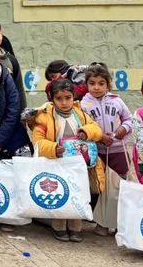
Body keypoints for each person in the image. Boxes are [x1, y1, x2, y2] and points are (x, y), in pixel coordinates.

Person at [30, 78, 104, 243]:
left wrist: (87, 132)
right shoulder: (44, 117)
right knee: (61, 193)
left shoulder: (81, 115)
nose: (64, 102)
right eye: (59, 99)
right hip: (57, 163)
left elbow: (96, 129)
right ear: (52, 99)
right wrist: (53, 148)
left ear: (73, 97)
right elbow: (38, 140)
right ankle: (59, 225)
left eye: (68, 98)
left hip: (79, 165)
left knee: (79, 193)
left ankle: (76, 226)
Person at [79, 63, 132, 235]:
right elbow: (82, 127)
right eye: (92, 83)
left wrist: (123, 130)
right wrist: (100, 136)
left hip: (118, 150)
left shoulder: (116, 100)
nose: (96, 87)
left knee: (120, 187)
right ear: (86, 85)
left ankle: (120, 223)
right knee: (101, 188)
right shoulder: (83, 105)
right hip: (96, 152)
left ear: (108, 85)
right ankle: (101, 223)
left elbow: (129, 120)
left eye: (101, 83)